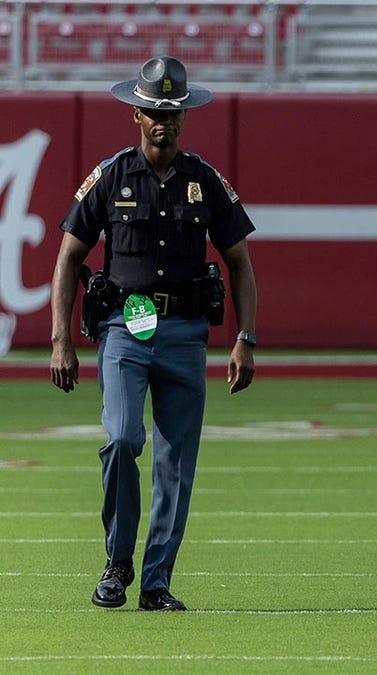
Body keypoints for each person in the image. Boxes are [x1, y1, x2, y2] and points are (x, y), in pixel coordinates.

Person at [48, 55, 259, 612]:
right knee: (121, 438)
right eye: (152, 111)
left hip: (186, 333)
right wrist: (60, 339)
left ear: (185, 116)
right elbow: (69, 256)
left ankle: (157, 580)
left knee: (175, 461)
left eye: (172, 111)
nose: (163, 120)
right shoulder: (110, 175)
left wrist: (246, 338)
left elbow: (239, 261)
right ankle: (118, 562)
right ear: (135, 115)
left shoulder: (206, 181)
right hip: (124, 329)